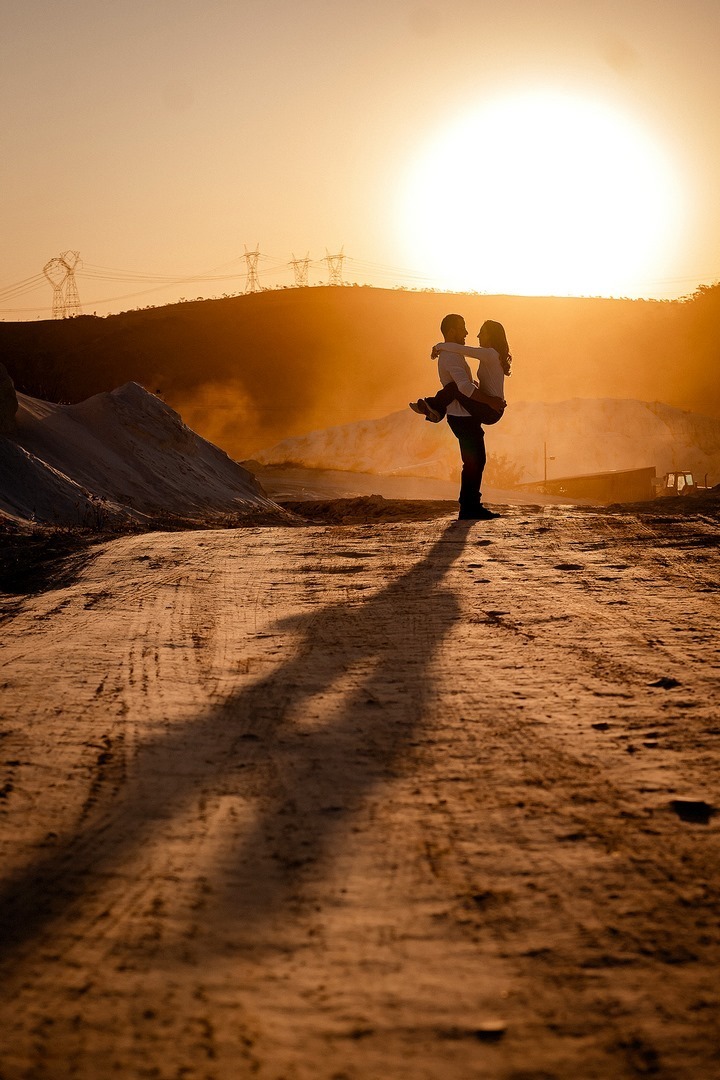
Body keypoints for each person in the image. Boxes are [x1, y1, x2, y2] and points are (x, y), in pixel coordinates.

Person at [410, 314, 512, 520]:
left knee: (475, 461)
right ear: (452, 331)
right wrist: (442, 347)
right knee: (457, 389)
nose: (471, 333)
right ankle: (469, 507)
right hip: (468, 415)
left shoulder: (487, 354)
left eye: (480, 332)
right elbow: (465, 385)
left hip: (481, 412)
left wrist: (440, 346)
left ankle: (434, 407)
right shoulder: (454, 356)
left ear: (490, 336)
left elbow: (464, 351)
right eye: (463, 328)